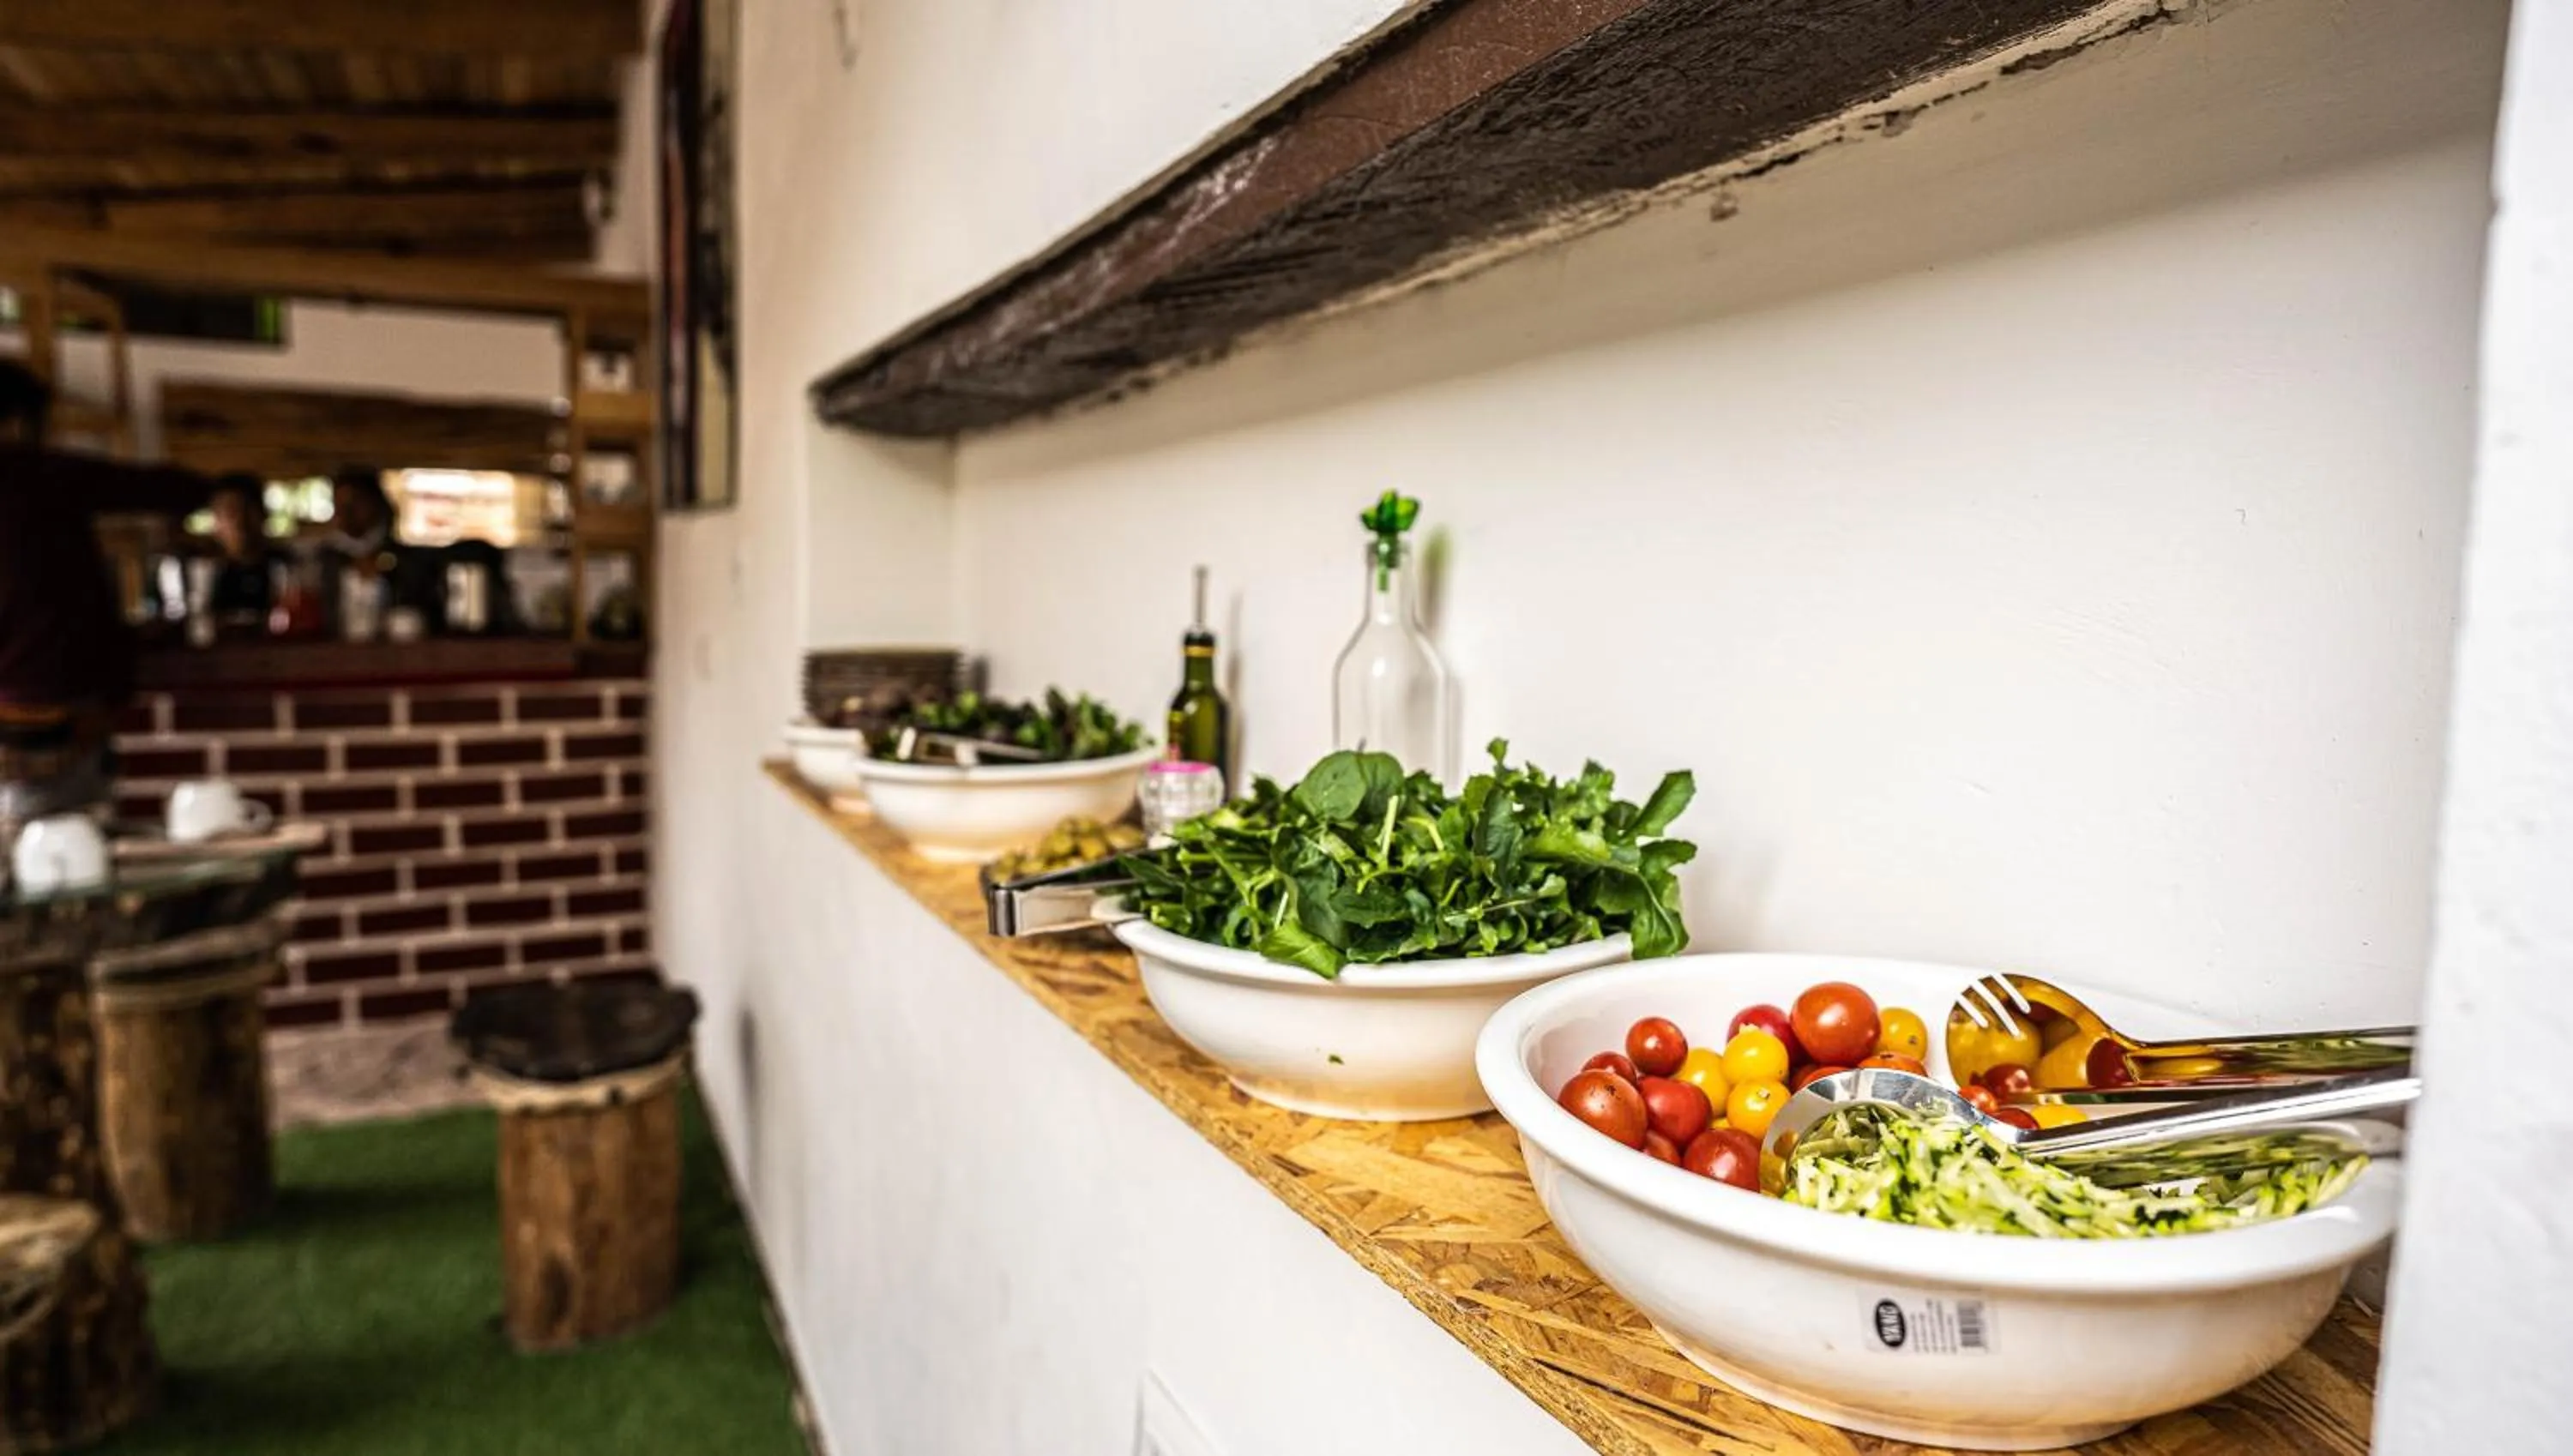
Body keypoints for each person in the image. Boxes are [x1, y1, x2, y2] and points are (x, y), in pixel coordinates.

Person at [0, 358, 211, 827]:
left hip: (21, 701)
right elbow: (179, 490)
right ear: (20, 422)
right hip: (52, 696)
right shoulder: (39, 475)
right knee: (66, 848)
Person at [202, 473, 284, 630]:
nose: (240, 521)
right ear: (215, 522)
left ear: (263, 515)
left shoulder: (286, 569)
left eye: (247, 510)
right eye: (230, 512)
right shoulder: (205, 574)